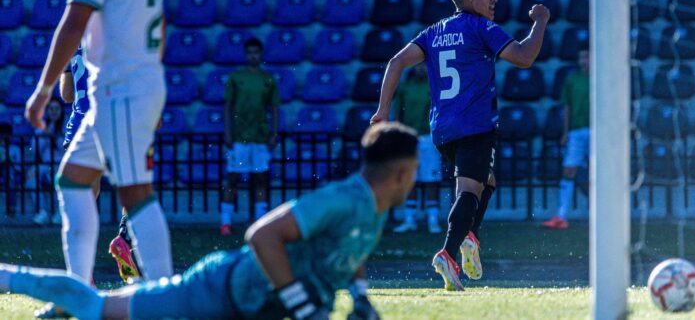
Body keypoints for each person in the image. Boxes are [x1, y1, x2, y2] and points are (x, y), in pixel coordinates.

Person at [0, 121, 418, 320]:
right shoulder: (344, 198)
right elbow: (262, 235)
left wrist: (359, 294)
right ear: (402, 172)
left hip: (261, 308)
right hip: (220, 291)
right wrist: (298, 302)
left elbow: (353, 249)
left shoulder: (375, 206)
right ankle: (7, 276)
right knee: (97, 308)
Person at [24, 0, 172, 295]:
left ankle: (164, 295)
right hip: (129, 89)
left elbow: (73, 24)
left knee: (136, 195)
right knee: (72, 179)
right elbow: (162, 25)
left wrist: (43, 89)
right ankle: (80, 291)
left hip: (120, 91)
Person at [370, 0, 550, 291]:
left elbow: (395, 62)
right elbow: (523, 58)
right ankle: (449, 254)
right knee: (470, 189)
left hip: (443, 130)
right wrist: (540, 22)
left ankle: (470, 238)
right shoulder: (481, 27)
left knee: (486, 179)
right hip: (476, 124)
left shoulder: (434, 31)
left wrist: (382, 110)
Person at [59, 46, 141, 283]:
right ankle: (123, 239)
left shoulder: (74, 41)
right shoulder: (113, 30)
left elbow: (67, 95)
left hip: (79, 124)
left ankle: (82, 273)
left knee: (81, 199)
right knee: (132, 186)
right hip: (111, 116)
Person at [220, 37, 280, 236]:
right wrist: (228, 132)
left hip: (260, 139)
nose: (253, 56)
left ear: (261, 54)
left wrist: (274, 133)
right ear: (246, 54)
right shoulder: (236, 78)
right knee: (233, 179)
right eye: (250, 52)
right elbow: (228, 106)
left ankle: (259, 221)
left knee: (261, 180)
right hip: (239, 138)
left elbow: (274, 108)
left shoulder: (268, 79)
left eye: (256, 52)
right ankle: (225, 222)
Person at [542, 47, 590, 230]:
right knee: (568, 171)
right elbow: (567, 108)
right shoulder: (572, 80)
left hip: (598, 132)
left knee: (599, 173)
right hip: (577, 131)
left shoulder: (601, 78)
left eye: (587, 56)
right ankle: (561, 216)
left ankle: (602, 215)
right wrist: (565, 132)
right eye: (581, 57)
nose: (584, 60)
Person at [392, 62, 442, 234]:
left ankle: (433, 220)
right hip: (409, 138)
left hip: (429, 138)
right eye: (418, 65)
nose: (421, 69)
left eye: (424, 65)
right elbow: (398, 113)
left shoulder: (435, 86)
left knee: (431, 181)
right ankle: (409, 219)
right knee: (410, 179)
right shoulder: (404, 87)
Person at [31, 97, 66, 226]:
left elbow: (65, 148)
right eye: (51, 109)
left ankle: (60, 212)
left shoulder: (67, 126)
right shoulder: (42, 126)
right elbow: (35, 150)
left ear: (61, 110)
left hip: (62, 165)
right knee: (31, 176)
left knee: (57, 175)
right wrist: (45, 135)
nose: (54, 112)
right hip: (45, 164)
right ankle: (43, 211)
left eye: (56, 109)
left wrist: (54, 135)